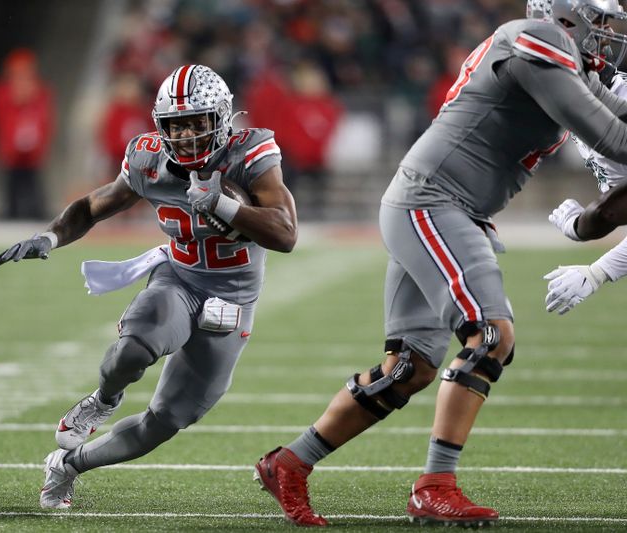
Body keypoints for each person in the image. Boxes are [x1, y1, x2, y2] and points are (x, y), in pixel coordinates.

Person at [254, 0, 627, 527]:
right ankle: (435, 485)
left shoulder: (556, 57)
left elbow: (616, 115)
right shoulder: (537, 42)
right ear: (567, 16)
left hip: (443, 205)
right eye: (602, 20)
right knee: (491, 336)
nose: (609, 33)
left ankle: (289, 462)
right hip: (435, 201)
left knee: (410, 368)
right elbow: (613, 138)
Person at [0, 64, 297, 510]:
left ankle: (68, 465)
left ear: (223, 118)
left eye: (197, 122)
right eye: (177, 125)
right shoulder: (149, 157)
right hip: (180, 277)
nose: (188, 135)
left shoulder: (250, 153)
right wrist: (50, 237)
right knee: (135, 346)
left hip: (231, 301)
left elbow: (286, 234)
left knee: (167, 419)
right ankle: (103, 399)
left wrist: (223, 204)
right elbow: (93, 205)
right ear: (160, 126)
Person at [545, 65, 627, 314]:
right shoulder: (576, 105)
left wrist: (597, 272)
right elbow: (616, 208)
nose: (610, 33)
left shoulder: (621, 94)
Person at [0, 48, 54, 220]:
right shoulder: (2, 93)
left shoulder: (40, 92)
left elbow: (46, 120)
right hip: (10, 151)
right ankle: (12, 215)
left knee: (32, 184)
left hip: (32, 152)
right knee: (12, 185)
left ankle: (35, 213)